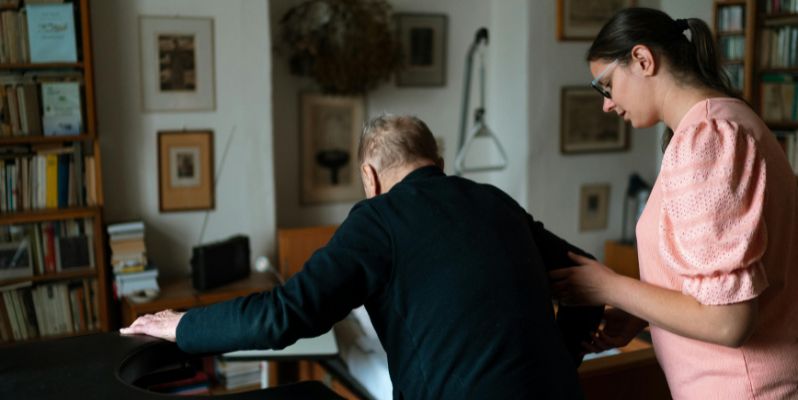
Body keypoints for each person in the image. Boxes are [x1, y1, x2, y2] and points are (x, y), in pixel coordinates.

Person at [121, 114, 603, 399]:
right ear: (437, 164)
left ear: (369, 177)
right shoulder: (494, 199)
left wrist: (182, 325)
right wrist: (562, 357)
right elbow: (588, 274)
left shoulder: (378, 218)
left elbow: (285, 314)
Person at [550, 7, 798, 399]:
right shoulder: (729, 120)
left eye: (606, 85)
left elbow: (728, 321)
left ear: (642, 60)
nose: (607, 104)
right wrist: (640, 314)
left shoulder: (707, 140)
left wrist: (609, 287)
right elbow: (714, 283)